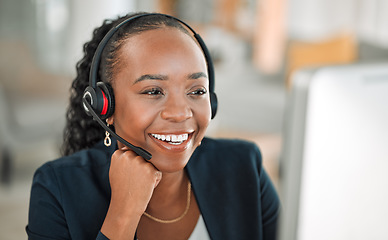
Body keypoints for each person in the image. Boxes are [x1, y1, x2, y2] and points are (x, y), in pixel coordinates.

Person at [26, 12, 280, 240]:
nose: (180, 113)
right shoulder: (55, 186)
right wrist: (122, 215)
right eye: (154, 91)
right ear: (105, 106)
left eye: (197, 90)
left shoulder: (244, 165)